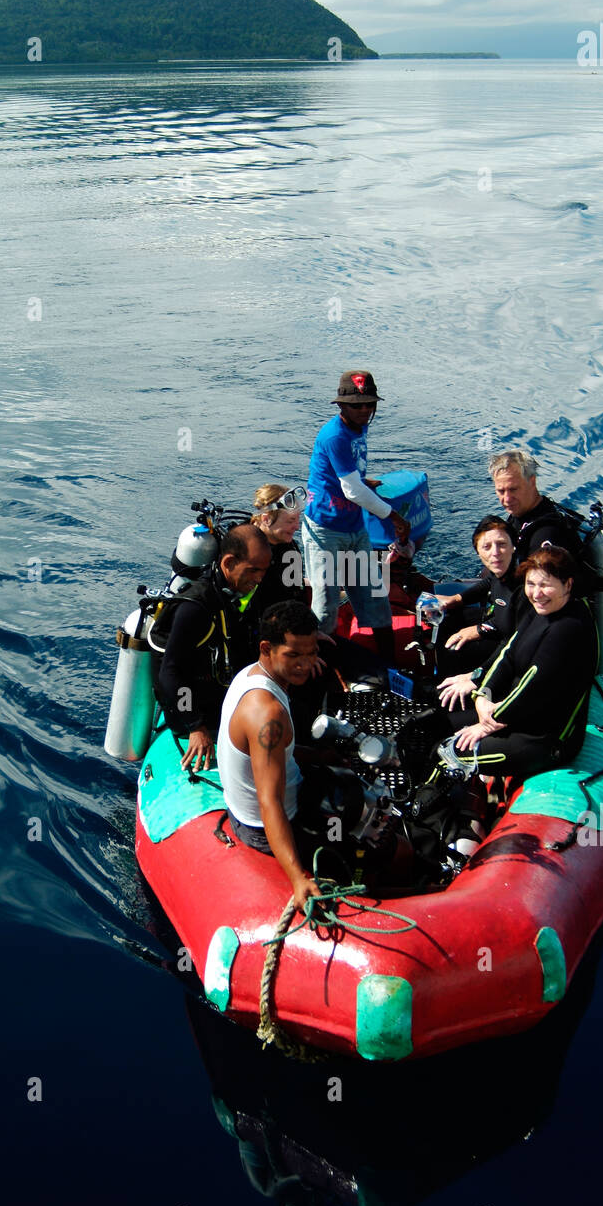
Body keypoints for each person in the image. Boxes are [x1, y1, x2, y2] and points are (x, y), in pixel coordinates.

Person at [437, 546, 599, 781]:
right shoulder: (539, 611)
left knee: (447, 751)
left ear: (568, 585)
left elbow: (534, 687)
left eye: (545, 585)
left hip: (543, 739)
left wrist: (488, 722)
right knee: (435, 725)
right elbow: (508, 655)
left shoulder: (569, 628)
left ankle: (462, 814)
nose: (537, 593)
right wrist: (483, 695)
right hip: (513, 716)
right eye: (531, 584)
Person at [216, 601, 324, 911]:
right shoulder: (268, 714)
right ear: (267, 648)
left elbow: (267, 754)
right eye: (293, 655)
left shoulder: (249, 676)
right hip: (264, 829)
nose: (305, 664)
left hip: (256, 809)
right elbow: (269, 802)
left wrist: (324, 756)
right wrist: (298, 878)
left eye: (311, 652)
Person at [302, 370, 410, 665]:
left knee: (375, 599)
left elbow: (349, 477)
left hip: (354, 527)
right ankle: (319, 672)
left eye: (369, 404)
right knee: (325, 609)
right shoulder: (335, 435)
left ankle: (390, 668)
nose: (364, 410)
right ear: (341, 406)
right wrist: (394, 517)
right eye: (356, 405)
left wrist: (364, 482)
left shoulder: (359, 428)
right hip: (325, 530)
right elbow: (351, 491)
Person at [154, 524, 272, 772]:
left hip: (225, 696)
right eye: (253, 571)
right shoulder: (195, 608)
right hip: (197, 712)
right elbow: (169, 674)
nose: (259, 578)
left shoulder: (236, 593)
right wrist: (195, 726)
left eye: (263, 571)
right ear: (228, 563)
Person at [433, 516, 522, 677]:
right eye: (486, 547)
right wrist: (457, 599)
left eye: (501, 544)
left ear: (513, 546)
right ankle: (441, 676)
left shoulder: (524, 582)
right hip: (496, 619)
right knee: (445, 620)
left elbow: (513, 625)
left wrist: (478, 630)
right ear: (478, 551)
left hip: (512, 640)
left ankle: (454, 691)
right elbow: (489, 582)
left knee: (456, 648)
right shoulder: (500, 571)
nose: (495, 553)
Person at [488, 450, 581, 562]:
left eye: (513, 489)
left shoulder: (546, 534)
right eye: (501, 491)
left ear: (532, 482)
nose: (507, 499)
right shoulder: (520, 514)